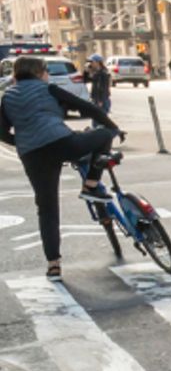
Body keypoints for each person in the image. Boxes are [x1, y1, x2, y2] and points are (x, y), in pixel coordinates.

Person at [0, 56, 123, 281]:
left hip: (32, 156)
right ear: (40, 73)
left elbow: (1, 133)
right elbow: (88, 108)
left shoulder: (7, 97)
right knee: (103, 136)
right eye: (46, 71)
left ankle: (53, 265)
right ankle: (91, 184)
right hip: (61, 142)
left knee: (47, 208)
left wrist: (25, 141)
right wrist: (114, 129)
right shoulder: (49, 89)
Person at [83, 53, 111, 127]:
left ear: (97, 62)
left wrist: (100, 100)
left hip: (102, 100)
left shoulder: (103, 73)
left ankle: (103, 136)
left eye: (92, 62)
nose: (91, 64)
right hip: (96, 99)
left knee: (99, 122)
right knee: (96, 122)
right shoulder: (96, 73)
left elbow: (103, 87)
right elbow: (85, 80)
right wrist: (86, 71)